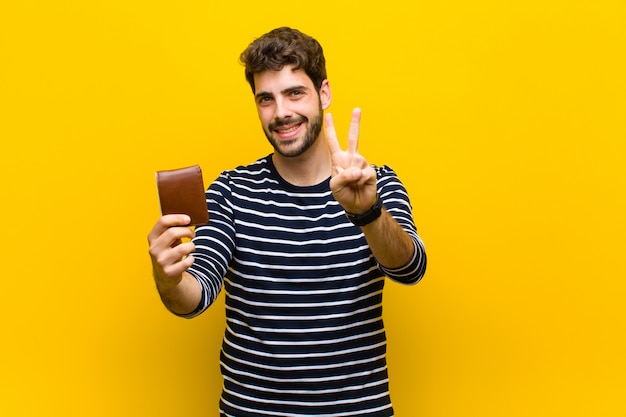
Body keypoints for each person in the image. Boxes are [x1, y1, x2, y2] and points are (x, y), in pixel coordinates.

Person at [148, 26, 427, 417]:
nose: (281, 113)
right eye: (266, 99)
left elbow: (410, 269)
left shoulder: (374, 182)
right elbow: (193, 299)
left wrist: (367, 211)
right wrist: (168, 277)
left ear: (324, 93)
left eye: (295, 93)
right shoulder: (230, 191)